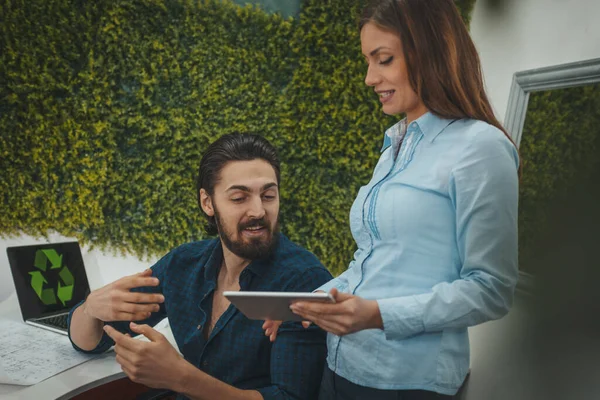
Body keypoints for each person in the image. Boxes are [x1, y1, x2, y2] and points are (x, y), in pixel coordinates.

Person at [264, 0, 520, 398]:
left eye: (383, 60)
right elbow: (371, 260)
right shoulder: (394, 146)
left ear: (429, 54)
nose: (369, 78)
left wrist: (378, 316)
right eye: (369, 61)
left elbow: (490, 288)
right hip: (340, 365)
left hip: (405, 383)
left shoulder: (480, 149)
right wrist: (312, 302)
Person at [68, 133, 333, 400]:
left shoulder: (304, 281)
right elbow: (91, 342)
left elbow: (290, 398)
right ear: (208, 202)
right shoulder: (184, 264)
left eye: (268, 195)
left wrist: (181, 378)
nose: (258, 211)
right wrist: (91, 309)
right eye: (239, 198)